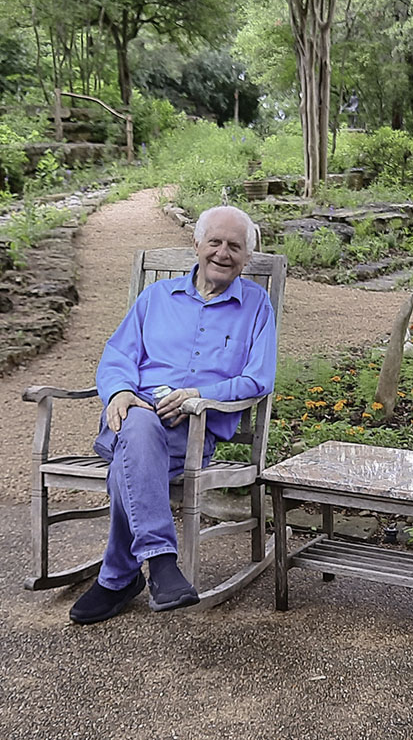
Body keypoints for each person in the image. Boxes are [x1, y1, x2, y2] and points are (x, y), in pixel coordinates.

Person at [69, 205, 277, 625]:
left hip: (192, 433)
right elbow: (116, 356)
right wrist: (122, 392)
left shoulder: (257, 306)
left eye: (234, 246)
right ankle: (162, 563)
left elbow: (259, 378)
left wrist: (197, 395)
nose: (223, 253)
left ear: (247, 258)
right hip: (132, 417)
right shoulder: (156, 298)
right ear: (197, 244)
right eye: (214, 242)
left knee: (125, 469)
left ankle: (119, 577)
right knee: (139, 423)